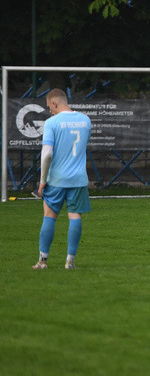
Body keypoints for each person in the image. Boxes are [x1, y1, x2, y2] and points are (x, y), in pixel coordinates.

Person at [33, 88, 92, 270]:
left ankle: (42, 261)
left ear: (54, 103)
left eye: (49, 107)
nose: (49, 110)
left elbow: (47, 154)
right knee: (75, 216)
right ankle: (70, 261)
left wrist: (42, 181)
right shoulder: (85, 120)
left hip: (56, 179)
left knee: (49, 216)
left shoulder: (51, 123)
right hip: (78, 178)